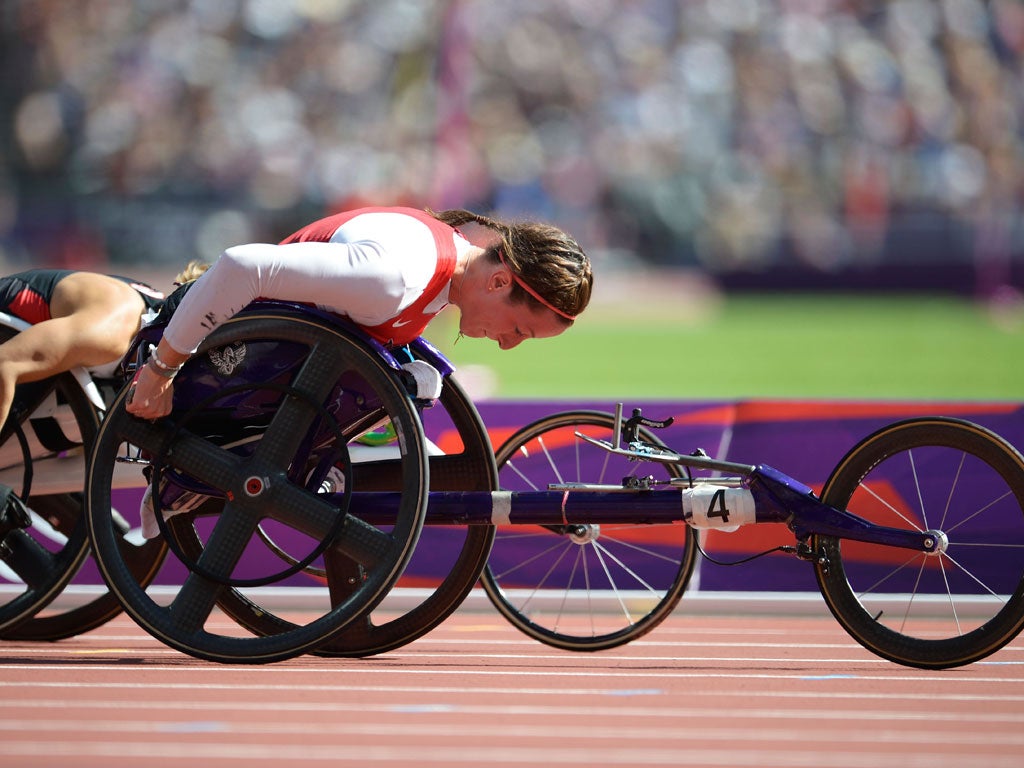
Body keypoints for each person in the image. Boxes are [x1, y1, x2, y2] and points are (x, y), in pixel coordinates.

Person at [125, 206, 593, 420]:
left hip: (253, 376)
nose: (508, 344)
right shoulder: (397, 277)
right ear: (499, 281)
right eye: (518, 329)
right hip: (199, 357)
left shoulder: (439, 271)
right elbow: (243, 266)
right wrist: (160, 369)